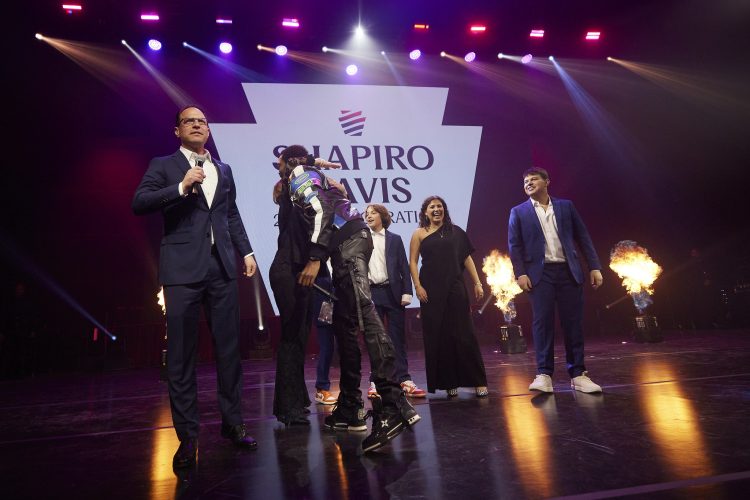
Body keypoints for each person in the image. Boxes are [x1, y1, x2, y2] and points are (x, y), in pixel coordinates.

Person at [132, 105, 258, 469]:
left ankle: (233, 424)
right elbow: (139, 202)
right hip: (182, 270)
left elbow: (230, 213)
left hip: (222, 268)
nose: (198, 125)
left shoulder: (223, 169)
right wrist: (181, 186)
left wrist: (246, 251)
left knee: (229, 351)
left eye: (202, 121)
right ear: (177, 130)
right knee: (182, 356)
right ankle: (188, 437)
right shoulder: (163, 165)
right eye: (190, 121)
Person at [278, 145, 420, 454]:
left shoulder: (298, 173)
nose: (278, 174)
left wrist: (315, 257)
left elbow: (320, 210)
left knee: (364, 313)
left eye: (279, 166)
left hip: (348, 243)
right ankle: (351, 407)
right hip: (347, 244)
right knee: (345, 323)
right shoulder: (313, 174)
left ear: (286, 162)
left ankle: (392, 403)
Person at [507, 167, 603, 394]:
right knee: (542, 323)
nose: (528, 183)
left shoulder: (565, 206)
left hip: (569, 271)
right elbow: (514, 246)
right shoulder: (518, 212)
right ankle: (544, 375)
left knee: (573, 323)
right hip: (540, 275)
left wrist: (594, 266)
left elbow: (583, 237)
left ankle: (578, 374)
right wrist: (520, 273)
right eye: (525, 181)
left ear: (547, 182)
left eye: (533, 179)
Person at [409, 196, 489, 397]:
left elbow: (466, 258)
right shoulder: (419, 233)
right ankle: (448, 382)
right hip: (430, 290)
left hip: (455, 287)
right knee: (439, 335)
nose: (436, 209)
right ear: (425, 212)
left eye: (440, 206)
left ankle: (477, 381)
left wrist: (477, 282)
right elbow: (413, 262)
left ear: (444, 209)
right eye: (432, 207)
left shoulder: (456, 231)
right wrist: (417, 286)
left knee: (464, 334)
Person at [364, 204, 426, 399]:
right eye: (366, 214)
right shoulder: (362, 239)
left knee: (397, 338)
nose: (368, 216)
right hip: (372, 293)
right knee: (375, 341)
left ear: (382, 216)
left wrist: (407, 292)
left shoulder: (395, 239)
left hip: (393, 293)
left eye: (373, 213)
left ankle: (404, 379)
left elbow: (403, 267)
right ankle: (376, 381)